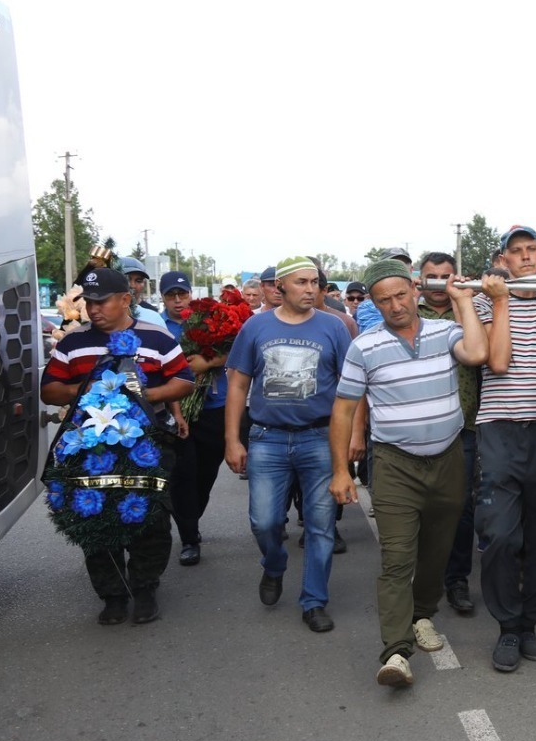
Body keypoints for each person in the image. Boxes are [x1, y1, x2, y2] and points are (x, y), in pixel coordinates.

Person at [329, 258, 487, 688]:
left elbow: (476, 353)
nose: (395, 305)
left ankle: (422, 615)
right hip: (395, 463)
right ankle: (396, 652)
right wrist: (341, 470)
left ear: (415, 291)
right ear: (375, 305)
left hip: (449, 458)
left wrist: (463, 301)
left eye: (401, 295)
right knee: (397, 557)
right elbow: (343, 409)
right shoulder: (364, 346)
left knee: (437, 550)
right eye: (384, 300)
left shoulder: (444, 331)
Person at [40, 268, 195, 625]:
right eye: (89, 303)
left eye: (102, 302)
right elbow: (49, 390)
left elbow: (183, 380)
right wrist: (87, 393)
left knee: (149, 516)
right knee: (93, 515)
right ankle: (111, 594)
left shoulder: (156, 337)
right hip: (89, 446)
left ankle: (144, 588)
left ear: (126, 299)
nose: (94, 310)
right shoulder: (73, 342)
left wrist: (143, 396)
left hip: (148, 443)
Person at [224, 255, 353, 633]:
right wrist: (233, 440)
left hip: (319, 437)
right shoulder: (255, 326)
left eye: (315, 282)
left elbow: (350, 389)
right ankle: (275, 565)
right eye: (301, 282)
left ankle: (314, 600)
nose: (311, 289)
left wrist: (351, 439)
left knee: (320, 524)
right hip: (267, 438)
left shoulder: (334, 327)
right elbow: (237, 384)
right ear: (280, 286)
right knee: (264, 522)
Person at [474, 227, 536, 674]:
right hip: (498, 428)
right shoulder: (485, 300)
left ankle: (528, 624)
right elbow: (497, 362)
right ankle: (506, 627)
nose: (525, 257)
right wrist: (499, 302)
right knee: (500, 533)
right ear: (505, 259)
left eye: (532, 249)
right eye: (516, 252)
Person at [415, 253, 484, 617]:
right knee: (420, 506)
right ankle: (423, 578)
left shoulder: (469, 308)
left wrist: (463, 303)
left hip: (464, 426)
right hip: (418, 426)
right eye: (432, 277)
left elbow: (480, 352)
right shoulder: (408, 314)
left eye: (446, 276)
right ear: (420, 279)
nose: (439, 283)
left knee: (461, 507)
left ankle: (457, 579)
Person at [160, 270, 231, 566]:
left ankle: (191, 516)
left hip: (214, 406)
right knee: (183, 474)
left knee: (207, 473)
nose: (178, 301)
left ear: (190, 294)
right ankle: (189, 536)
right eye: (171, 296)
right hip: (176, 409)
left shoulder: (207, 320)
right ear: (163, 298)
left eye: (183, 294)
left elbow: (232, 351)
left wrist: (211, 361)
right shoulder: (157, 326)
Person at [355, 248, 411, 331]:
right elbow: (376, 337)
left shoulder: (424, 299)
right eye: (390, 267)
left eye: (402, 266)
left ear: (411, 270)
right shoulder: (368, 307)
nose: (397, 271)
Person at [117, 257, 165, 327]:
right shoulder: (100, 316)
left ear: (144, 284)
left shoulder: (154, 319)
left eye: (138, 281)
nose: (132, 285)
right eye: (127, 279)